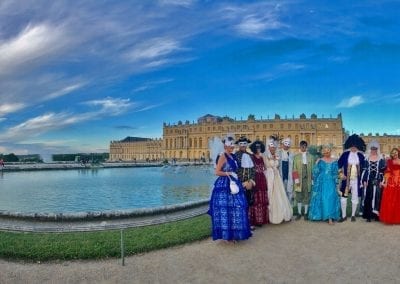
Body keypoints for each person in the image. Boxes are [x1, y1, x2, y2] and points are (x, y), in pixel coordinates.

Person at [208, 134, 252, 241]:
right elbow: (217, 172)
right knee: (226, 208)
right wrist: (229, 174)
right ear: (225, 146)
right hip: (224, 184)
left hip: (234, 182)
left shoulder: (233, 156)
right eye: (230, 145)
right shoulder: (223, 156)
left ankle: (235, 233)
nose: (232, 147)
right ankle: (229, 235)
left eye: (233, 145)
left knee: (238, 206)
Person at [308, 145, 340, 225]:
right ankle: (324, 216)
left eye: (328, 152)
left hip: (331, 181)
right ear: (323, 153)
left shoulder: (334, 161)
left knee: (331, 197)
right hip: (321, 182)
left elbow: (336, 172)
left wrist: (336, 181)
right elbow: (315, 171)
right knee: (323, 198)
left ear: (330, 152)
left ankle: (330, 217)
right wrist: (316, 163)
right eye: (325, 153)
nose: (327, 154)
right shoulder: (320, 160)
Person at [263, 136, 292, 224]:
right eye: (271, 147)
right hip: (269, 177)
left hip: (277, 177)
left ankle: (282, 214)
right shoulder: (265, 157)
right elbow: (266, 166)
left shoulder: (276, 155)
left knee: (280, 194)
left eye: (274, 147)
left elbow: (278, 165)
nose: (273, 148)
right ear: (268, 147)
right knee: (270, 194)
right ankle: (269, 215)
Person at [337, 134, 366, 222]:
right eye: (352, 146)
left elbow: (364, 169)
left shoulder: (361, 156)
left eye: (355, 146)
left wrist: (363, 180)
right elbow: (338, 165)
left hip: (356, 181)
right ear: (350, 145)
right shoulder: (345, 155)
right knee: (343, 198)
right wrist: (341, 175)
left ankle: (353, 215)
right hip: (346, 181)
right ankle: (344, 216)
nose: (354, 148)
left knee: (355, 198)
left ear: (358, 146)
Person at [360, 140, 386, 222]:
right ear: (370, 150)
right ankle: (368, 215)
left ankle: (376, 215)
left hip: (377, 179)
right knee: (368, 196)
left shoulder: (381, 159)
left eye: (375, 149)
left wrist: (382, 181)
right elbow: (364, 170)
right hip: (369, 179)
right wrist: (364, 180)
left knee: (377, 196)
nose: (373, 151)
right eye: (372, 149)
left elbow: (382, 172)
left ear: (377, 150)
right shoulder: (366, 158)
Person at [234, 136, 256, 227]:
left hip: (249, 183)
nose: (243, 145)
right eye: (241, 144)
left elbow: (253, 170)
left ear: (247, 145)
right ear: (239, 145)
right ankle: (240, 223)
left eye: (244, 144)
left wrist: (250, 181)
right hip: (239, 183)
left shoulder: (250, 155)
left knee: (248, 203)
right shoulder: (235, 156)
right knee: (239, 204)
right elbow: (234, 170)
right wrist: (241, 182)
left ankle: (248, 222)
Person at [292, 140, 315, 220]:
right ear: (300, 146)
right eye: (302, 146)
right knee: (299, 196)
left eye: (304, 146)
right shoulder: (296, 157)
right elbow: (294, 169)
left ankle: (305, 213)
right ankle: (299, 213)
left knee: (307, 196)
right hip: (299, 179)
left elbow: (313, 169)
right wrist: (296, 180)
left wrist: (312, 180)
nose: (303, 147)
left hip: (307, 180)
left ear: (306, 147)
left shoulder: (311, 157)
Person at [249, 140, 269, 227]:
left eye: (260, 147)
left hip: (262, 178)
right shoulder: (251, 157)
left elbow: (266, 167)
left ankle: (262, 219)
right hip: (255, 178)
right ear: (254, 148)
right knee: (256, 200)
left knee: (262, 199)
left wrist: (264, 157)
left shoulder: (262, 157)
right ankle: (256, 220)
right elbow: (249, 168)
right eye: (257, 148)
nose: (258, 149)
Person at [379, 147, 400, 224]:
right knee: (390, 199)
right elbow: (387, 173)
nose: (395, 154)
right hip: (391, 181)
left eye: (396, 152)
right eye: (393, 153)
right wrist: (384, 182)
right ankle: (390, 218)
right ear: (391, 154)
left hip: (399, 181)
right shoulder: (389, 161)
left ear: (398, 152)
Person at [278, 138, 294, 206]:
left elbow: (295, 167)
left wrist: (296, 179)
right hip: (280, 176)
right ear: (282, 144)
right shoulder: (278, 153)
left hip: (289, 176)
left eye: (288, 144)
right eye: (285, 144)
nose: (286, 146)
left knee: (289, 193)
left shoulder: (292, 154)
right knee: (281, 193)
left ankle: (289, 209)